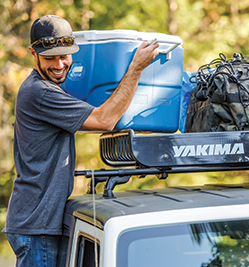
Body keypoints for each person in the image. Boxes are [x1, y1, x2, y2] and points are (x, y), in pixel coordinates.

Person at [3, 15, 159, 267]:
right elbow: (104, 120)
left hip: (40, 222)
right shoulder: (39, 92)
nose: (59, 64)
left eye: (65, 55)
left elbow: (95, 120)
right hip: (36, 225)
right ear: (33, 53)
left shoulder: (51, 89)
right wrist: (136, 68)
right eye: (50, 57)